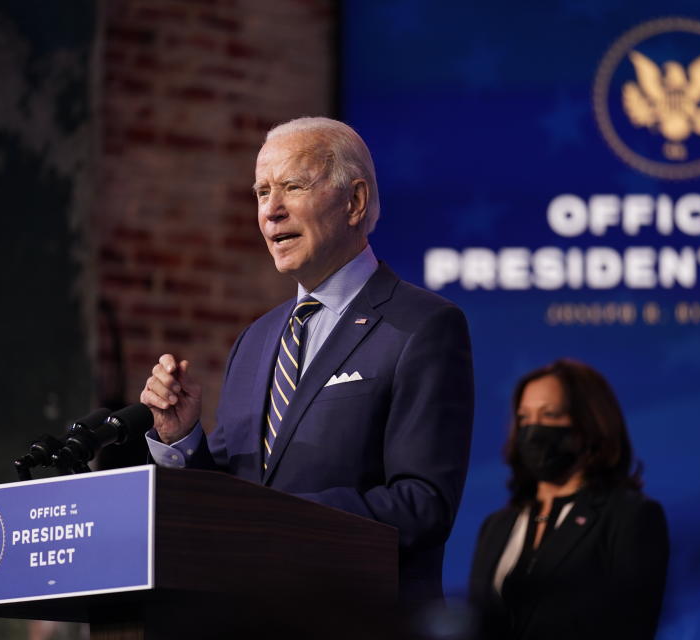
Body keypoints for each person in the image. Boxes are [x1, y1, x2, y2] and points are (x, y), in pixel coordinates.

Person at [139, 117, 475, 604]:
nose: (271, 211)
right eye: (260, 192)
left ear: (354, 202)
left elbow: (422, 505)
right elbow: (230, 498)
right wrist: (182, 440)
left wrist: (274, 520)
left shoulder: (422, 325)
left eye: (292, 186)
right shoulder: (254, 341)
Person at [468, 359, 668, 639]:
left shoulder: (630, 516)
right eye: (524, 418)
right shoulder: (497, 526)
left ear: (589, 424)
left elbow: (631, 627)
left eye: (549, 415)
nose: (533, 430)